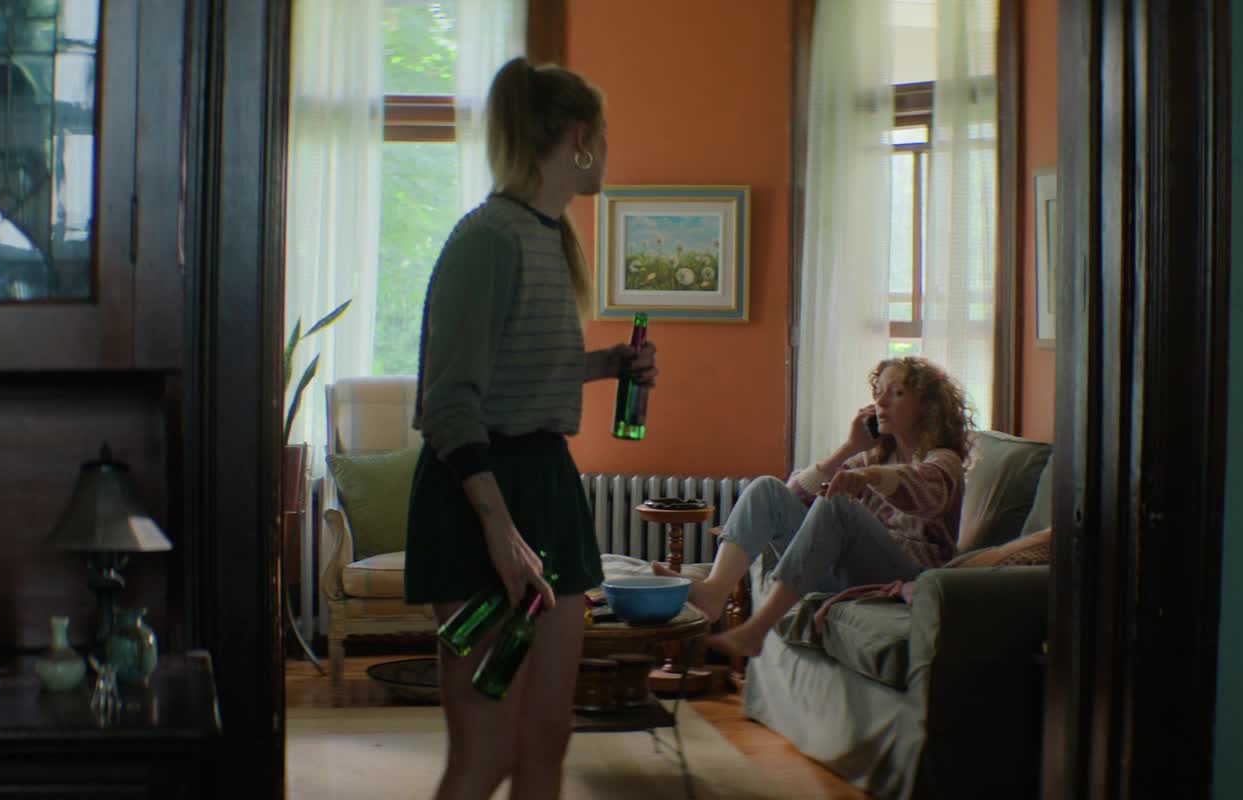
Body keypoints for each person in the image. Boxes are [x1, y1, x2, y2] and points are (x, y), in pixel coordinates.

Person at [404, 57, 656, 800]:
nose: (607, 150)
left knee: (546, 743)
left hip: (547, 485)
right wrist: (500, 532)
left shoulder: (547, 237)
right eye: (603, 135)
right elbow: (449, 401)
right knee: (486, 755)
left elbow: (514, 369)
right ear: (578, 138)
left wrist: (608, 364)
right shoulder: (488, 238)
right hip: (481, 494)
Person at [656, 356, 973, 659]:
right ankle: (714, 592)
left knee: (838, 507)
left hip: (908, 575)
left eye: (897, 393)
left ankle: (757, 629)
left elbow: (925, 495)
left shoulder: (943, 460)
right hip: (855, 573)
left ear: (927, 407)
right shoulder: (871, 458)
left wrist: (870, 477)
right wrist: (849, 448)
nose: (881, 402)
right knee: (767, 489)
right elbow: (793, 496)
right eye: (879, 392)